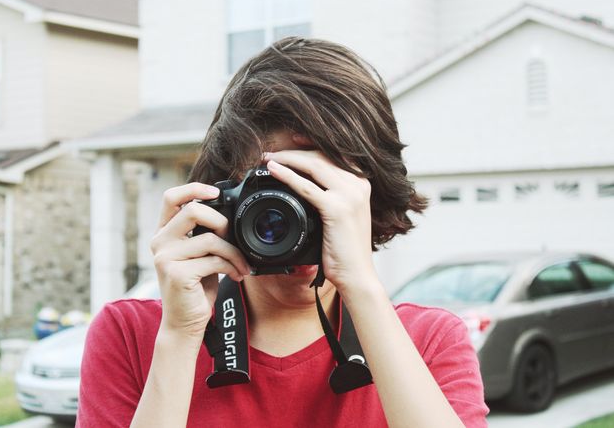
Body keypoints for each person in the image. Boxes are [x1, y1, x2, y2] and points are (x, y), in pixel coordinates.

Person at [76, 37, 490, 427]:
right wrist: (182, 336)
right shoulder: (132, 336)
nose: (302, 221)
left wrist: (361, 285)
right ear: (221, 200)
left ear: (369, 200)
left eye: (321, 193)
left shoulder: (430, 341)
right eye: (275, 196)